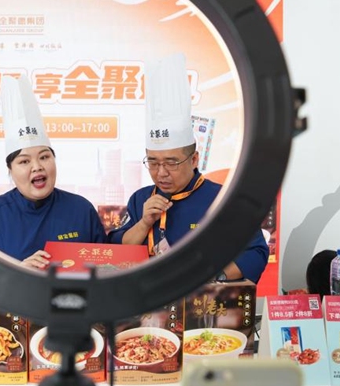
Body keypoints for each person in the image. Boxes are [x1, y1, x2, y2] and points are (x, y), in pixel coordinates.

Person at [108, 53, 268, 283]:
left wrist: (213, 277)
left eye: (171, 163)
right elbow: (115, 251)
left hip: (201, 305)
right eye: (152, 162)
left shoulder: (223, 198)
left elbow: (255, 253)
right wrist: (144, 223)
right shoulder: (140, 198)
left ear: (194, 159)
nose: (161, 172)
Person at [0, 76, 107, 269]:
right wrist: (19, 274)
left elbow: (106, 268)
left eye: (44, 157)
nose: (37, 166)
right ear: (10, 170)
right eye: (24, 161)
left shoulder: (81, 209)